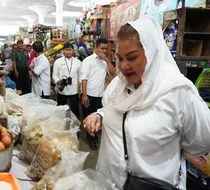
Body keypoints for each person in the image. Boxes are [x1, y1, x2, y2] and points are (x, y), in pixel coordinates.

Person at [83, 17, 210, 189]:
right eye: (120, 59)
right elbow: (113, 111)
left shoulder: (178, 92)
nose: (124, 66)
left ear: (152, 53)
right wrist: (100, 114)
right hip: (108, 181)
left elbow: (200, 141)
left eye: (132, 57)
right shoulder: (117, 87)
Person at [80, 38, 116, 150]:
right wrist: (84, 95)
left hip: (101, 95)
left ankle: (95, 136)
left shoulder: (105, 61)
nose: (104, 51)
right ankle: (91, 140)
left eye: (106, 49)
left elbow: (113, 73)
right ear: (96, 48)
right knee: (88, 118)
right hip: (89, 95)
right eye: (102, 48)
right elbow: (84, 78)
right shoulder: (88, 61)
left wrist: (107, 59)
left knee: (98, 118)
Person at [53, 43, 81, 118]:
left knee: (75, 109)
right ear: (63, 51)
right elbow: (54, 74)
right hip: (62, 89)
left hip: (74, 89)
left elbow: (80, 75)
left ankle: (76, 124)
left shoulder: (78, 62)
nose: (68, 52)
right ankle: (61, 123)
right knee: (61, 109)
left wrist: (79, 84)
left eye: (70, 50)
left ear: (73, 51)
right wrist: (58, 81)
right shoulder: (58, 62)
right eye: (66, 50)